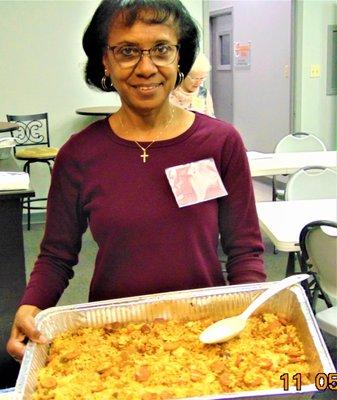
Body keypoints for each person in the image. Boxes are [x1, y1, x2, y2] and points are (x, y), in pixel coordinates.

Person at [7, 0, 265, 362]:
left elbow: (245, 251)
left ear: (180, 58)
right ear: (105, 62)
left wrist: (247, 319)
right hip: (113, 341)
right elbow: (56, 255)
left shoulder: (220, 143)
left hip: (206, 334)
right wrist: (31, 307)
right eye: (127, 51)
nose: (146, 68)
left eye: (161, 49)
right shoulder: (79, 155)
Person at [170, 52, 215, 116]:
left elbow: (211, 120)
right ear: (183, 74)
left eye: (202, 78)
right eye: (194, 78)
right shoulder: (170, 92)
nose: (198, 82)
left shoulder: (203, 94)